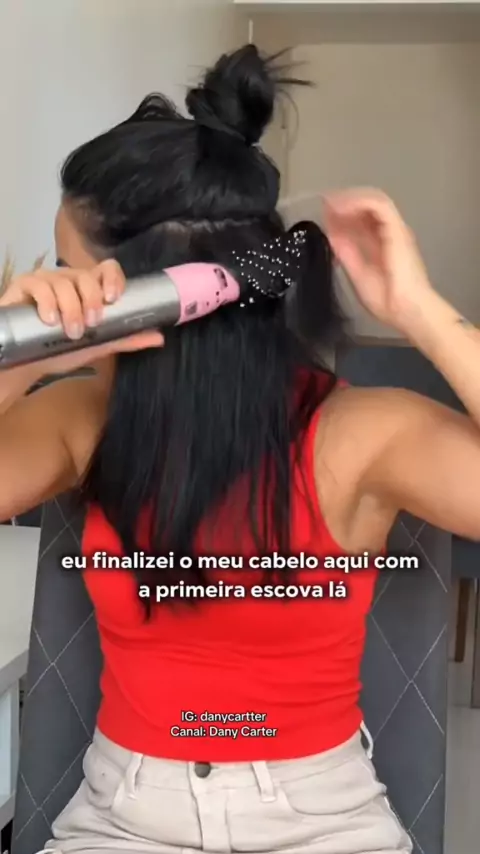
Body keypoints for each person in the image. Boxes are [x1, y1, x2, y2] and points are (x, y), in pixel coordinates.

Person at [1, 44, 479, 854]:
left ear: (139, 297)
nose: (65, 292)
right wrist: (17, 354)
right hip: (121, 817)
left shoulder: (359, 434)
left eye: (74, 270)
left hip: (323, 820)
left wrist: (420, 310)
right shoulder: (83, 418)